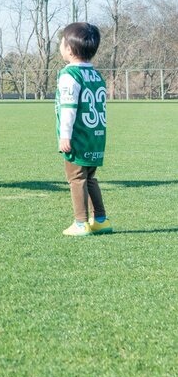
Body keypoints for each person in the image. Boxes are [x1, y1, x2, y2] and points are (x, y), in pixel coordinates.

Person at [55, 21, 113, 237]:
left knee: (76, 178)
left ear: (69, 49)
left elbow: (68, 108)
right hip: (96, 135)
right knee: (89, 178)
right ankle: (100, 219)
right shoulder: (96, 75)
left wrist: (65, 135)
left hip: (78, 136)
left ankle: (80, 223)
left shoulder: (69, 74)